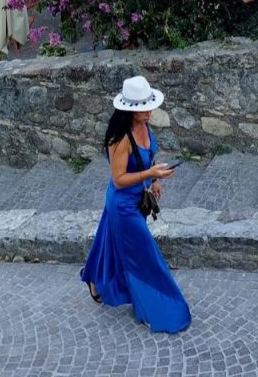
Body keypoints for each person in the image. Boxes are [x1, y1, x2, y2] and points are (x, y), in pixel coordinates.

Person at [80, 76, 190, 334]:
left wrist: (155, 180)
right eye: (144, 108)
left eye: (150, 105)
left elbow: (147, 157)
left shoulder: (145, 125)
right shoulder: (119, 139)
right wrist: (150, 174)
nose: (150, 111)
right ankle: (154, 308)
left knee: (108, 243)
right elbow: (119, 180)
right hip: (123, 206)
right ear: (130, 109)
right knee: (144, 255)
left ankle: (94, 279)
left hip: (135, 199)